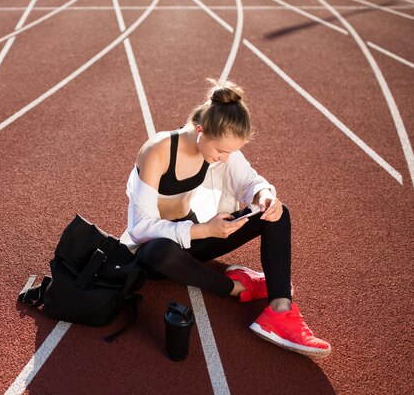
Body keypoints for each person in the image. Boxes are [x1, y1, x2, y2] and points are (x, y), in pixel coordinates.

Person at [121, 79, 331, 359]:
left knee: (278, 214)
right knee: (157, 253)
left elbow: (249, 181)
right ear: (200, 131)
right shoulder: (159, 150)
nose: (223, 158)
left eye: (230, 152)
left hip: (196, 237)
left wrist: (264, 196)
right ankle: (235, 287)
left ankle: (280, 312)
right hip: (161, 245)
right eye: (221, 151)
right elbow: (139, 227)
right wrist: (203, 229)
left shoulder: (218, 148)